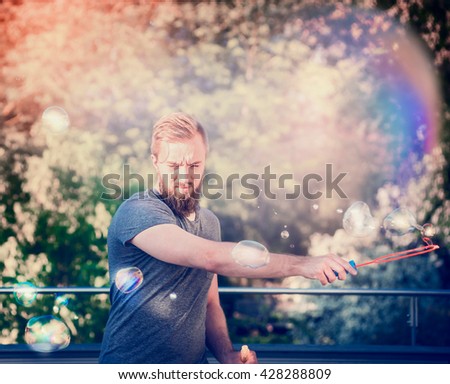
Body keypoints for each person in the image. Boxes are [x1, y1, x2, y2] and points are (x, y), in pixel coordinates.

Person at [99, 112, 356, 364]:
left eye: (194, 165)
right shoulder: (138, 211)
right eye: (174, 166)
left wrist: (226, 354)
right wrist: (302, 265)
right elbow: (208, 256)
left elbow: (210, 304)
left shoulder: (210, 223)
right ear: (155, 162)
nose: (184, 175)